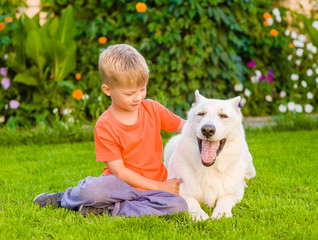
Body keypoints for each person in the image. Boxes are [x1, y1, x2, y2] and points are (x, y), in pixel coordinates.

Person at [33, 44, 188, 217]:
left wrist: (206, 128)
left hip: (153, 185)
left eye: (142, 89)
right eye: (130, 93)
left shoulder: (153, 109)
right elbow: (119, 171)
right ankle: (66, 198)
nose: (138, 97)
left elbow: (185, 126)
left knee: (178, 205)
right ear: (108, 90)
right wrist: (161, 187)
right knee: (91, 191)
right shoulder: (105, 125)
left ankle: (107, 210)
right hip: (119, 185)